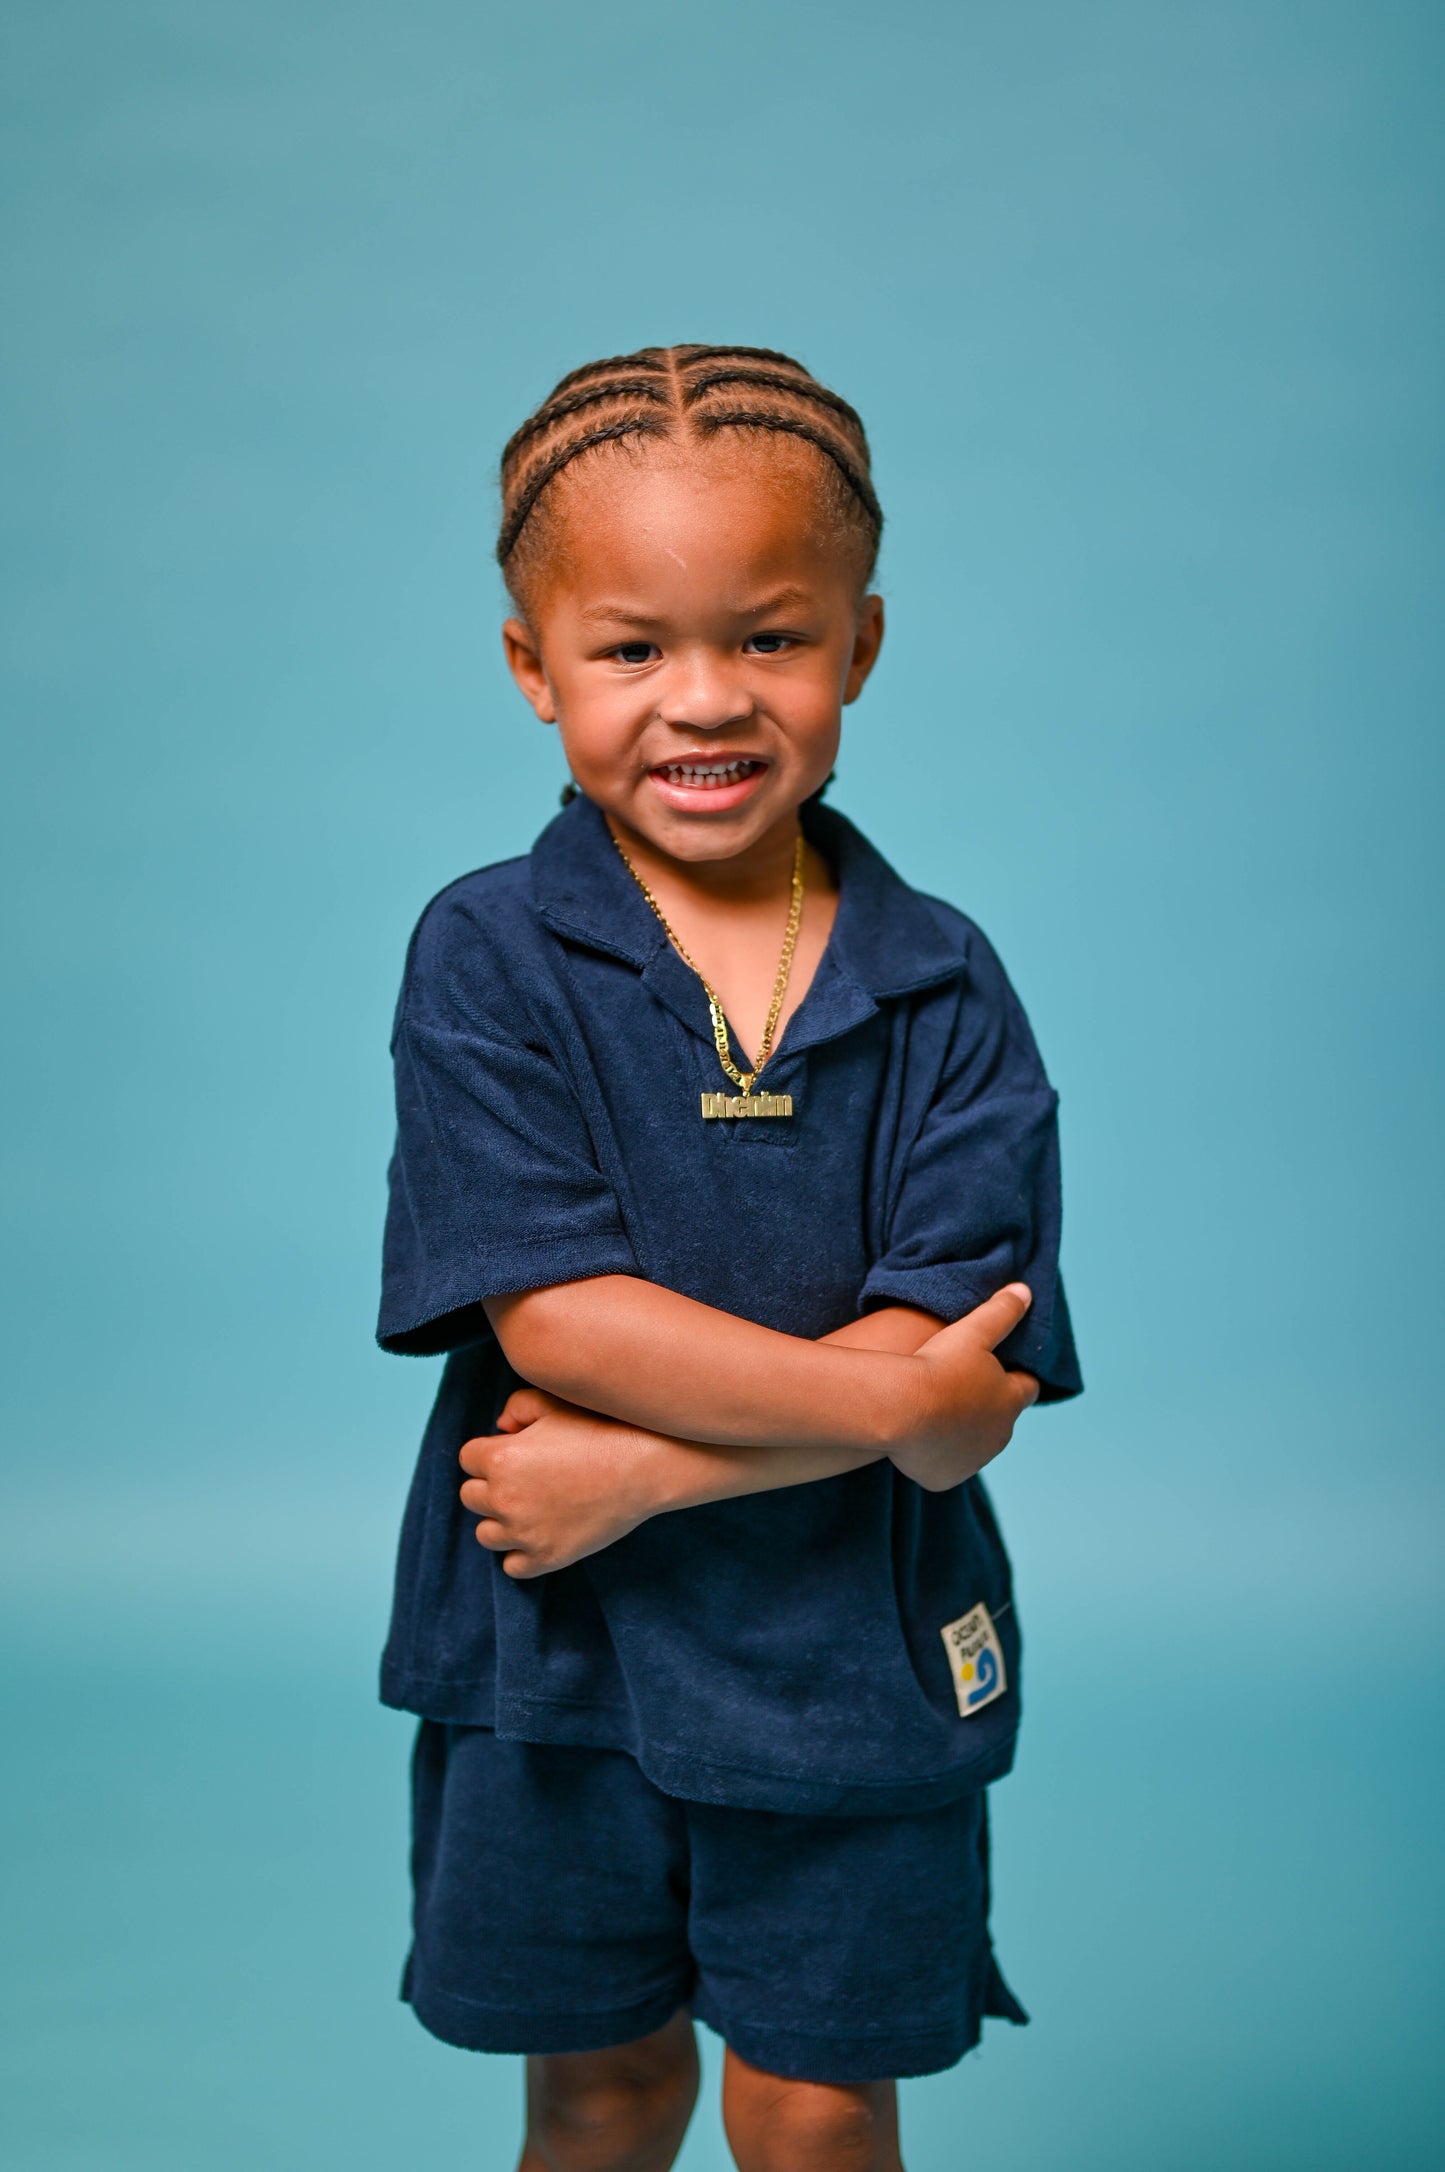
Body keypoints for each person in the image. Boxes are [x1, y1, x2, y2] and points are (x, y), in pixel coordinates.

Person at [377, 344, 1082, 2172]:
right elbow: (562, 1319)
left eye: (770, 637)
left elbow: (957, 1371)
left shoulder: (940, 981)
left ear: (859, 642)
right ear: (532, 667)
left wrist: (643, 1478)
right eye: (631, 648)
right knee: (600, 2098)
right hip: (556, 1659)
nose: (705, 699)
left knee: (818, 2107)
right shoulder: (486, 958)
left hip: (857, 1661)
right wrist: (899, 1405)